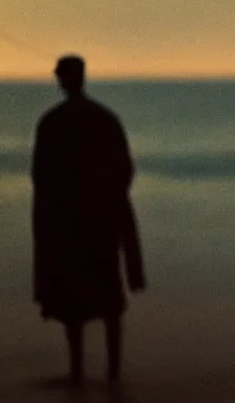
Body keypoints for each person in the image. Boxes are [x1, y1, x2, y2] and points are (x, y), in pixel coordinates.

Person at [32, 54, 145, 383]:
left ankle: (78, 369)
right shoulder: (105, 118)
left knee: (74, 303)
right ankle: (112, 371)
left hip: (68, 221)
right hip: (102, 219)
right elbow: (125, 169)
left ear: (64, 80)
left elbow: (41, 177)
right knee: (109, 297)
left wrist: (47, 224)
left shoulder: (52, 121)